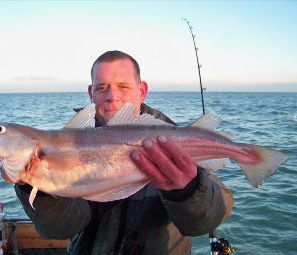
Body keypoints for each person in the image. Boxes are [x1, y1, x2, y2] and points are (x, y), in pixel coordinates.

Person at [13, 50, 234, 254]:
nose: (112, 96)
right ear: (91, 93)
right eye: (101, 87)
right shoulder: (67, 146)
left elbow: (207, 219)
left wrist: (188, 190)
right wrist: (43, 187)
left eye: (123, 86)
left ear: (142, 91)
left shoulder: (176, 141)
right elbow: (61, 229)